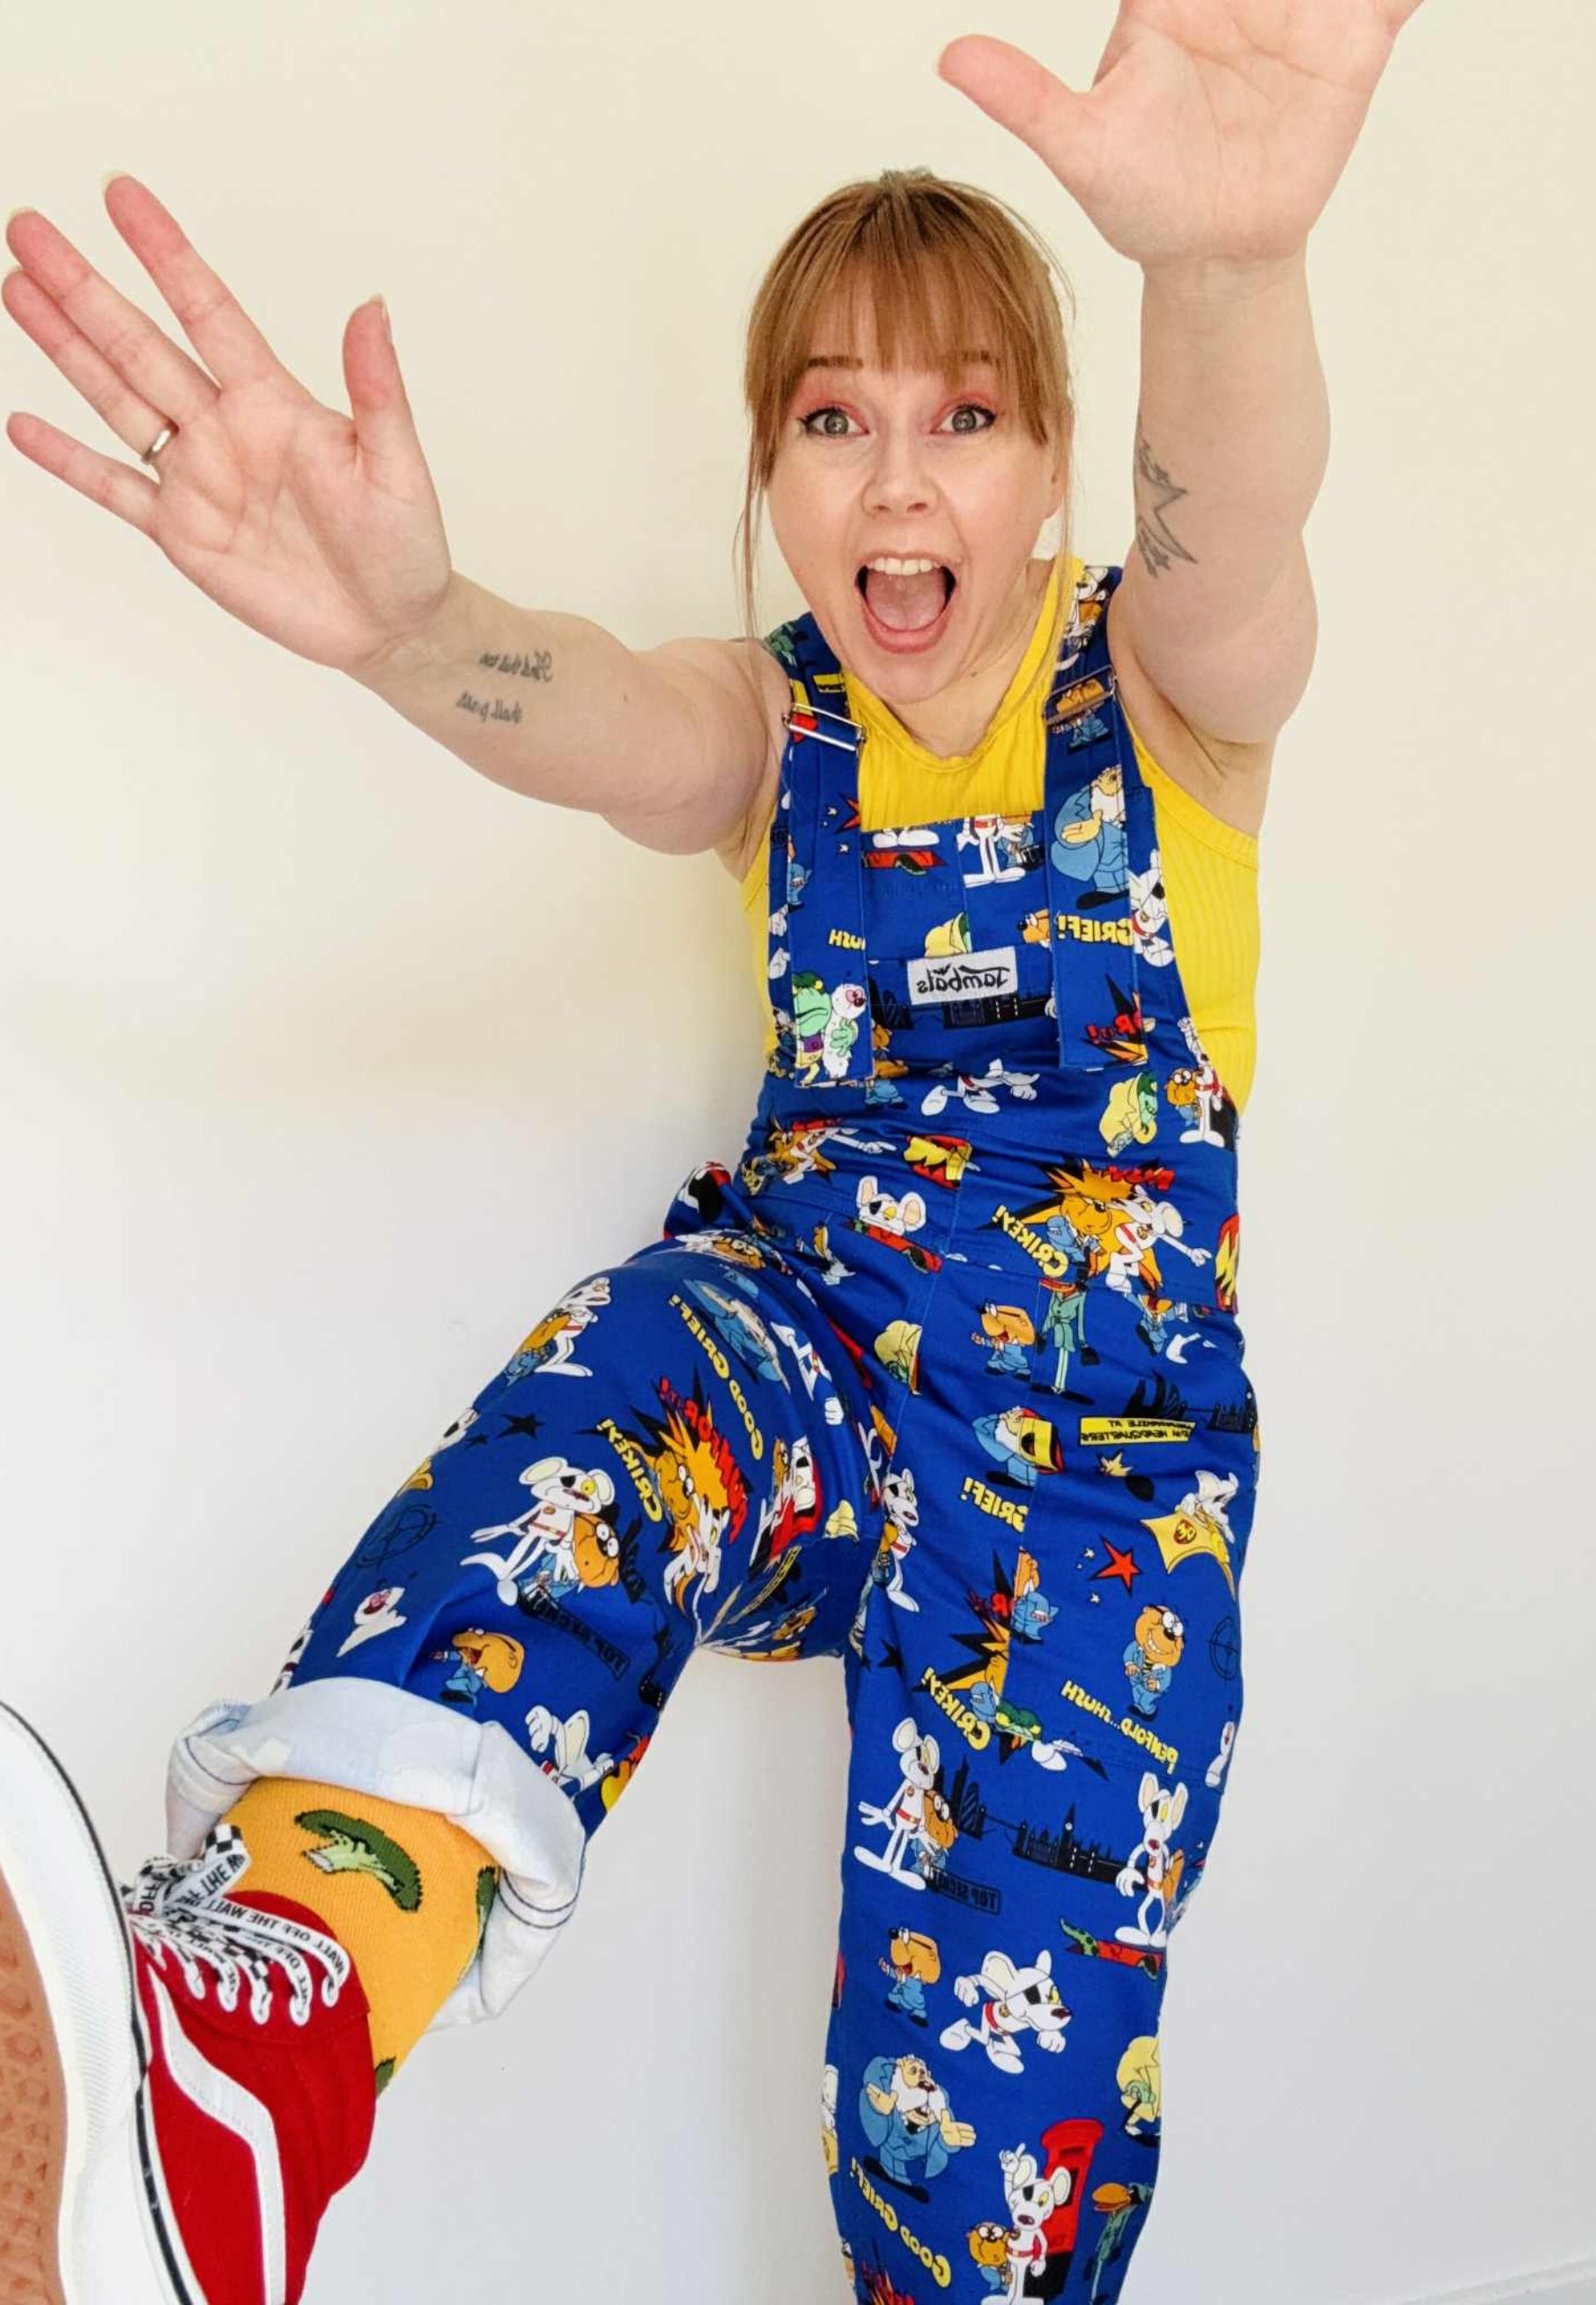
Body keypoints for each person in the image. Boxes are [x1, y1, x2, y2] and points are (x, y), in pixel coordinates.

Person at [0, 7, 1425, 2300]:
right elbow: (593, 713)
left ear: (1054, 465)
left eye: (963, 417)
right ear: (770, 464)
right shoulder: (771, 716)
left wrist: (1225, 268)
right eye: (833, 419)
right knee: (615, 1399)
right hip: (813, 1371)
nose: (895, 481)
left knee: (988, 2160)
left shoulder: (1166, 685)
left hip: (1091, 1506)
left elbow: (1241, 531)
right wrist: (410, 630)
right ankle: (250, 2065)